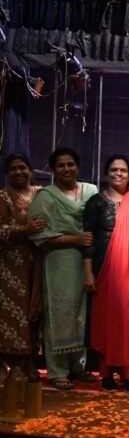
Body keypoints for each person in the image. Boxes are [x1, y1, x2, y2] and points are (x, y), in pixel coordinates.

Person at [83, 155, 129, 394]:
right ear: (106, 174)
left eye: (123, 170)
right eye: (114, 170)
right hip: (103, 268)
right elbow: (88, 239)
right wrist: (88, 272)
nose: (118, 174)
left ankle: (128, 373)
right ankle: (106, 374)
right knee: (106, 321)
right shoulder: (96, 202)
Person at [28, 147, 98, 390]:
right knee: (60, 312)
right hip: (59, 260)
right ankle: (58, 371)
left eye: (70, 164)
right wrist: (75, 239)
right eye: (61, 165)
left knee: (82, 313)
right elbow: (39, 234)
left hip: (88, 260)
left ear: (77, 166)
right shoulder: (45, 196)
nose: (66, 169)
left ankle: (79, 367)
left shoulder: (90, 191)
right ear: (53, 169)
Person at [0, 154, 46, 381]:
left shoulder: (41, 194)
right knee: (14, 313)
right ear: (7, 174)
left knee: (35, 310)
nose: (18, 172)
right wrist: (25, 229)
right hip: (11, 265)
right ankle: (14, 363)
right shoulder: (3, 196)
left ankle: (29, 363)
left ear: (31, 170)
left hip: (39, 262)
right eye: (13, 169)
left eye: (22, 168)